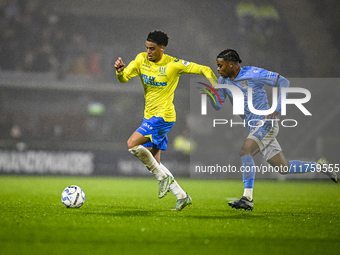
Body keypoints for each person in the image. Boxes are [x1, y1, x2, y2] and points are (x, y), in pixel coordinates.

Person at [208, 49, 338, 211]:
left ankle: (247, 198)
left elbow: (284, 82)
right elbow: (218, 105)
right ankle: (319, 166)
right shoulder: (223, 80)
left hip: (266, 122)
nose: (218, 69)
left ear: (231, 65)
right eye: (217, 66)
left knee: (245, 151)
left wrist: (277, 107)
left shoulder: (254, 74)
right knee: (284, 168)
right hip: (254, 127)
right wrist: (212, 95)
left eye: (220, 66)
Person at [114, 30, 218, 211]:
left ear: (162, 48)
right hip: (149, 116)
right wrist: (119, 72)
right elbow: (124, 79)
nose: (149, 52)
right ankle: (182, 196)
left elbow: (205, 69)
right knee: (155, 162)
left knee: (132, 144)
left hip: (164, 116)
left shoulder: (173, 64)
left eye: (152, 49)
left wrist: (218, 88)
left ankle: (163, 178)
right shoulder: (140, 60)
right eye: (147, 48)